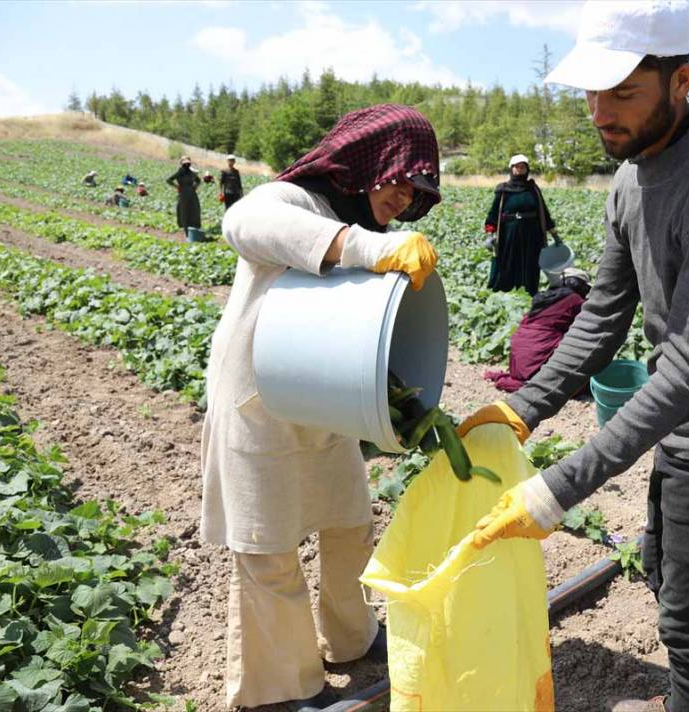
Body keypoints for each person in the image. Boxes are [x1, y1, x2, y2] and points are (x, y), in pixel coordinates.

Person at [458, 3, 689, 711]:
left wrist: (554, 491)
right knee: (663, 572)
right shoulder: (633, 173)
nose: (600, 113)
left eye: (623, 93)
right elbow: (603, 314)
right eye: (591, 93)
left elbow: (688, 373)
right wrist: (521, 407)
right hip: (680, 426)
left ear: (682, 81)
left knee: (688, 620)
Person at [200, 104, 441, 712]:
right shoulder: (297, 202)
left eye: (419, 188)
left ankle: (352, 639)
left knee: (348, 523)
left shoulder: (363, 222)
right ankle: (281, 687)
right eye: (402, 177)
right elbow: (240, 220)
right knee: (268, 548)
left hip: (326, 395)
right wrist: (360, 245)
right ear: (371, 161)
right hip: (257, 399)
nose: (407, 196)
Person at [485, 268, 591, 393]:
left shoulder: (545, 296)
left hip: (521, 348)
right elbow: (589, 324)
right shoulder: (575, 300)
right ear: (579, 285)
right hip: (539, 349)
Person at [483, 154, 559, 295]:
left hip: (532, 234)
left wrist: (554, 234)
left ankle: (530, 292)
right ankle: (506, 292)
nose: (519, 169)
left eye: (522, 167)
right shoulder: (503, 190)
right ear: (511, 169)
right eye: (516, 167)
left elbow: (544, 211)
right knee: (508, 262)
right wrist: (489, 234)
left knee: (530, 263)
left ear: (527, 169)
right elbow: (493, 214)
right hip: (509, 234)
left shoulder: (533, 189)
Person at [166, 157, 201, 237]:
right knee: (184, 211)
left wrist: (194, 187)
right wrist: (177, 186)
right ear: (182, 164)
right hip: (183, 194)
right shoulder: (179, 172)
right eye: (185, 164)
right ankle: (185, 229)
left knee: (194, 210)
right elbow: (169, 180)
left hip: (192, 194)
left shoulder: (191, 172)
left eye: (188, 164)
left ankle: (194, 229)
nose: (187, 165)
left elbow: (198, 181)